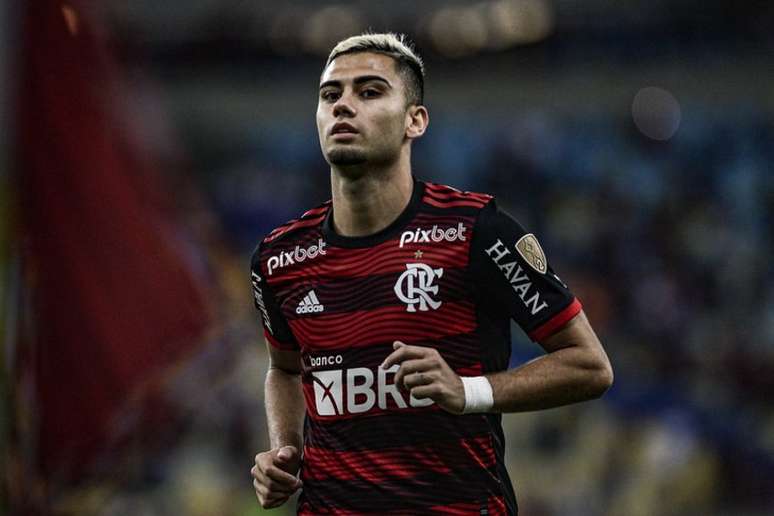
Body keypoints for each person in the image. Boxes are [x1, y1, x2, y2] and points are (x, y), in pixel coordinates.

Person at [249, 32, 613, 515]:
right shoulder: (280, 258)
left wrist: (467, 391)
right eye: (330, 95)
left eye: (370, 91)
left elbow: (589, 364)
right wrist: (285, 448)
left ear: (414, 120)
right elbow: (285, 368)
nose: (343, 106)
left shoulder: (476, 232)